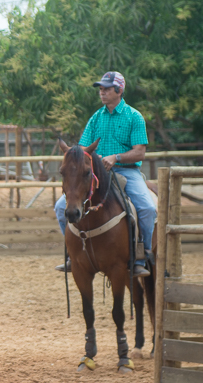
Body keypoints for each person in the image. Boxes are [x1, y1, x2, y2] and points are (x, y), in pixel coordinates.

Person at [54, 71, 156, 277]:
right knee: (59, 207)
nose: (102, 92)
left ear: (119, 90)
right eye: (101, 89)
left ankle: (142, 254)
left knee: (147, 207)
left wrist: (116, 157)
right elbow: (82, 149)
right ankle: (72, 254)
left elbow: (140, 152)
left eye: (106, 89)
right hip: (95, 173)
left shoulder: (134, 116)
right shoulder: (95, 118)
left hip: (127, 171)